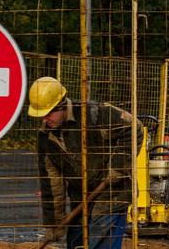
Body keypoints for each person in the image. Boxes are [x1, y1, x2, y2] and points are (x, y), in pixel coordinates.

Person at [27, 77, 143, 249]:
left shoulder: (94, 114)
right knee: (75, 243)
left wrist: (118, 167)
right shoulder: (46, 138)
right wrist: (54, 223)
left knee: (100, 245)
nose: (44, 120)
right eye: (40, 115)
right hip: (80, 198)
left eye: (48, 113)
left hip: (111, 194)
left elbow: (134, 127)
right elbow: (51, 183)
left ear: (62, 105)